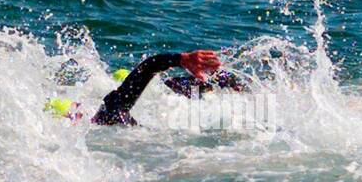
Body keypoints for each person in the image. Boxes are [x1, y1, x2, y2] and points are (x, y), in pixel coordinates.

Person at [45, 50, 230, 125]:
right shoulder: (111, 114)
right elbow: (146, 69)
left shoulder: (110, 115)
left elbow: (145, 70)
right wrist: (180, 60)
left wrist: (180, 60)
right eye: (75, 111)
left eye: (74, 109)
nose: (77, 109)